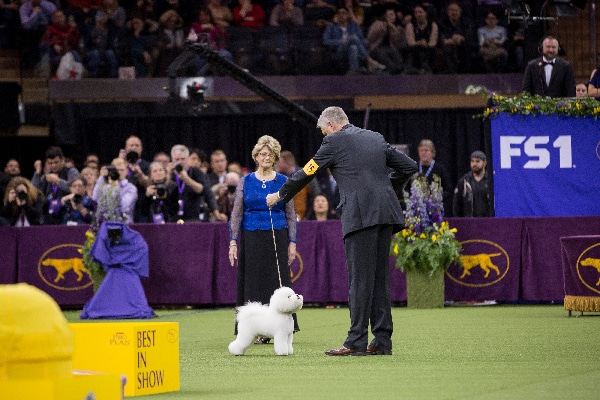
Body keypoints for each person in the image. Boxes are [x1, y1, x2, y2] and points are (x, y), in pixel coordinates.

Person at [266, 107, 418, 356]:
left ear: (331, 125)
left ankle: (356, 341)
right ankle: (381, 341)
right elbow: (409, 166)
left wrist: (281, 195)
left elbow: (308, 172)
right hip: (385, 214)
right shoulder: (375, 137)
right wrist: (384, 188)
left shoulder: (334, 141)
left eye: (324, 130)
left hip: (360, 215)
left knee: (359, 280)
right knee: (379, 279)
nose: (324, 135)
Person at [229, 135, 299, 342]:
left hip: (278, 235)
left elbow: (291, 214)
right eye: (262, 154)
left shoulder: (283, 181)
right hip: (251, 237)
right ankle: (252, 329)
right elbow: (236, 213)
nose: (266, 157)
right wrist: (233, 241)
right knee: (252, 283)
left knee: (276, 282)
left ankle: (280, 328)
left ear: (276, 157)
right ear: (256, 156)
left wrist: (292, 243)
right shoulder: (246, 181)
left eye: (270, 154)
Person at [169, 144, 227, 222]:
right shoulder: (169, 174)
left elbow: (205, 191)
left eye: (182, 159)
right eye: (177, 159)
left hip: (192, 217)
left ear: (187, 159)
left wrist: (186, 179)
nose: (180, 162)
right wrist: (168, 175)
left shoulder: (195, 172)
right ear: (172, 160)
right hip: (173, 217)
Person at [323, 7, 386, 74]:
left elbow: (361, 38)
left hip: (355, 51)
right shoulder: (331, 26)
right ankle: (370, 61)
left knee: (353, 47)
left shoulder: (354, 25)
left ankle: (353, 71)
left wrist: (351, 40)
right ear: (336, 15)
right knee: (353, 37)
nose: (341, 15)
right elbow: (325, 41)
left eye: (344, 13)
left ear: (348, 15)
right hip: (339, 51)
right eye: (339, 13)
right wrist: (340, 41)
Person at [31, 146, 80, 225]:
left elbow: (76, 189)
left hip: (67, 214)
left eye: (56, 162)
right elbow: (34, 191)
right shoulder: (47, 174)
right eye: (50, 163)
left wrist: (57, 181)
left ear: (62, 160)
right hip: (49, 216)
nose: (53, 165)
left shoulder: (71, 171)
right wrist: (37, 172)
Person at [276, 150, 321, 220]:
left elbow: (316, 195)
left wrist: (308, 216)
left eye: (279, 162)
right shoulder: (278, 178)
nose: (276, 165)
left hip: (305, 219)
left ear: (287, 162)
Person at [93, 158, 138, 224]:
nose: (119, 172)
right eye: (116, 170)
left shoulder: (131, 188)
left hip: (124, 225)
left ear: (127, 171)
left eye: (122, 170)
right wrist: (101, 177)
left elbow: (123, 207)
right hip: (106, 225)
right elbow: (95, 199)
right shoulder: (105, 186)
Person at [415, 139, 453, 217]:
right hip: (417, 210)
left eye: (426, 150)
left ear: (433, 153)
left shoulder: (440, 169)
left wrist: (436, 197)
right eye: (421, 151)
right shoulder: (414, 169)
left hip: (435, 210)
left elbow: (448, 190)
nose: (423, 153)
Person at [452, 150, 493, 217]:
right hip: (469, 222)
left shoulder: (491, 181)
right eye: (472, 161)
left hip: (488, 222)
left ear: (485, 163)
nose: (474, 164)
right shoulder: (464, 181)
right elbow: (456, 205)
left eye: (477, 161)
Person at [438, 1, 475, 74]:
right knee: (447, 48)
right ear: (448, 12)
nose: (454, 13)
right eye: (451, 10)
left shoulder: (466, 23)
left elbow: (468, 38)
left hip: (463, 47)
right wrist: (453, 40)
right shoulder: (442, 24)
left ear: (460, 12)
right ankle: (451, 73)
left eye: (456, 10)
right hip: (447, 48)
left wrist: (461, 39)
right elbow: (442, 39)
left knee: (466, 47)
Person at [366, 6, 406, 74]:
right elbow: (370, 38)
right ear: (385, 16)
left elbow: (397, 42)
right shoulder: (377, 23)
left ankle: (400, 69)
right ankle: (393, 69)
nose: (392, 17)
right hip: (376, 48)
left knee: (396, 55)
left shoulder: (396, 27)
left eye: (393, 15)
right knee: (383, 55)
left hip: (389, 48)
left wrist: (394, 30)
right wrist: (383, 27)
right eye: (389, 15)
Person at [404, 3, 438, 74]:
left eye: (420, 12)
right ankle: (415, 70)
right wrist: (419, 43)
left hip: (428, 48)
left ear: (425, 13)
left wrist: (426, 44)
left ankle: (428, 69)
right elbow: (411, 42)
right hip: (415, 48)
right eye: (416, 12)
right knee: (414, 49)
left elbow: (433, 42)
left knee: (432, 50)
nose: (418, 14)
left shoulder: (433, 25)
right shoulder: (410, 25)